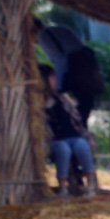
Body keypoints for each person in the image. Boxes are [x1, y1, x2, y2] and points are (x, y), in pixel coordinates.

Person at [43, 68, 94, 197]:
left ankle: (90, 184)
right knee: (63, 149)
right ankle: (63, 187)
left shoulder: (62, 98)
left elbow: (77, 120)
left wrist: (88, 137)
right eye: (52, 78)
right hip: (55, 140)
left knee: (82, 145)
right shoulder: (38, 102)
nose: (55, 81)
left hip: (73, 136)